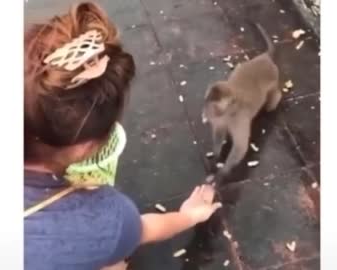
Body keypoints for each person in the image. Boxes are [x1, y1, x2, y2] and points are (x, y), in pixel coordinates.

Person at [24, 2, 222, 270]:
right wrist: (190, 216)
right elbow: (143, 229)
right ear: (85, 149)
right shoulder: (103, 219)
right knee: (117, 259)